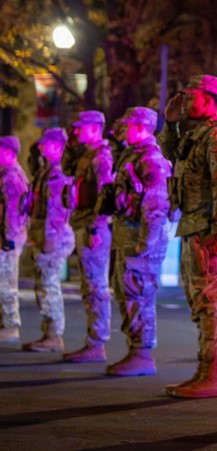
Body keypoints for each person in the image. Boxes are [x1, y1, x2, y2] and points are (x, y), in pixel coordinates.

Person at [160, 74, 217, 398]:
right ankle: (203, 371)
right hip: (195, 224)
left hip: (209, 227)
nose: (183, 99)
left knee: (209, 301)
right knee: (199, 299)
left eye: (189, 94)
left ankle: (211, 375)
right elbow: (169, 153)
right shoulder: (196, 134)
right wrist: (169, 123)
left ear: (209, 98)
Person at [105, 107, 172, 376]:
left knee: (139, 295)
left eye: (128, 124)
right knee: (126, 294)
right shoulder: (132, 156)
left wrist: (145, 244)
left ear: (142, 127)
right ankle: (135, 350)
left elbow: (156, 206)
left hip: (142, 240)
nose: (123, 128)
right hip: (127, 237)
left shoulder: (151, 160)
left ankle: (142, 354)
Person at [62, 110, 115, 363]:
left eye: (80, 128)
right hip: (83, 223)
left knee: (96, 287)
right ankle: (93, 341)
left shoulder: (101, 158)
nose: (76, 132)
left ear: (95, 128)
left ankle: (97, 343)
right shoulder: (86, 156)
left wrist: (95, 227)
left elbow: (105, 197)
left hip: (93, 227)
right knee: (88, 286)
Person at [24, 127, 76, 352]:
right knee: (44, 285)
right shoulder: (47, 171)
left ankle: (54, 335)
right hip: (45, 236)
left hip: (53, 237)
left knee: (49, 285)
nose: (42, 148)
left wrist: (49, 240)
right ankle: (49, 333)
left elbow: (55, 212)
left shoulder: (56, 174)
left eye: (46, 144)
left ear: (57, 146)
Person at [0, 135, 30, 346]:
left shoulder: (11, 177)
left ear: (9, 152)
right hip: (8, 236)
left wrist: (8, 239)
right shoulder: (7, 175)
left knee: (7, 281)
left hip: (9, 237)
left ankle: (10, 326)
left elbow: (13, 213)